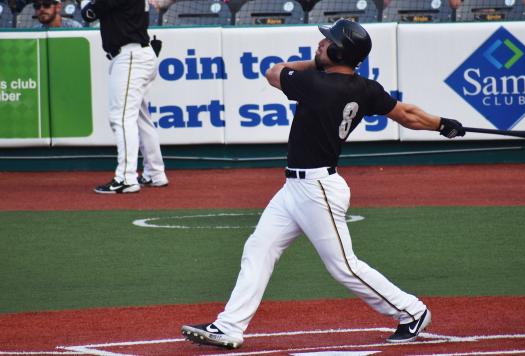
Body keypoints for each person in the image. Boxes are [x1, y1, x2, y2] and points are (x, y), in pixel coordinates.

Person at [181, 19, 465, 349]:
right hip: (296, 189)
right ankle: (229, 325)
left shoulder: (316, 84)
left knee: (343, 266)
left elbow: (274, 71)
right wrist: (443, 124)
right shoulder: (364, 88)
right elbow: (409, 115)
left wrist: (317, 62)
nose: (319, 44)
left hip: (317, 189)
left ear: (340, 50)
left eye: (327, 41)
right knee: (259, 249)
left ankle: (412, 310)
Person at [81, 0, 168, 194]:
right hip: (137, 54)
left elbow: (88, 14)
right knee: (140, 117)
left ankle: (127, 178)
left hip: (130, 57)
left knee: (121, 118)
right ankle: (155, 173)